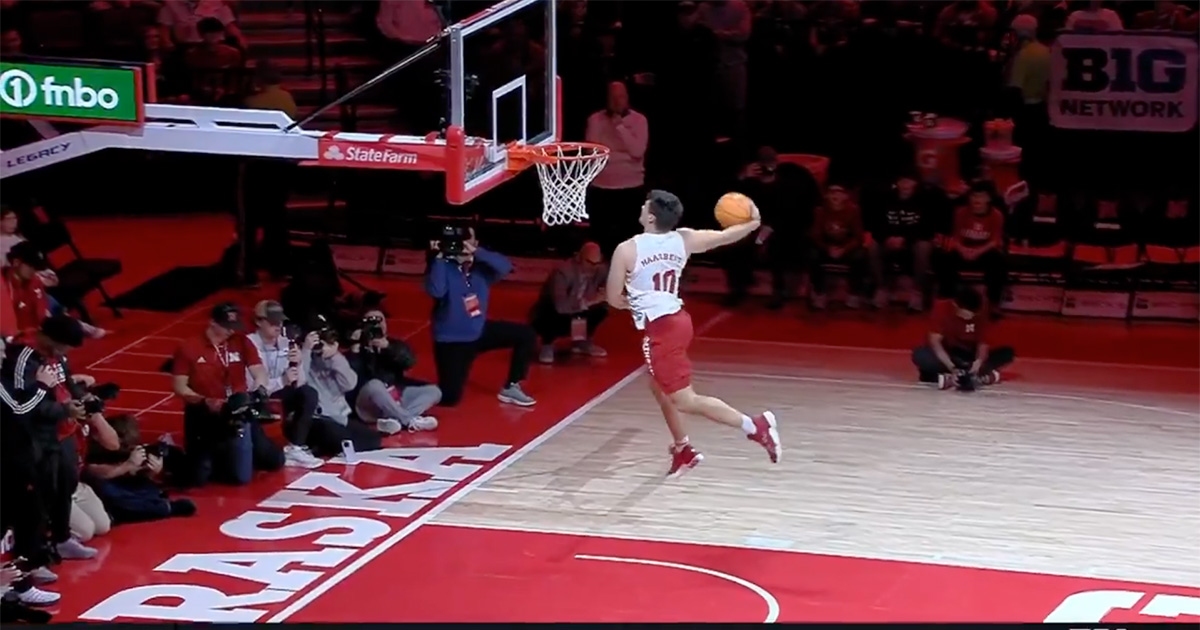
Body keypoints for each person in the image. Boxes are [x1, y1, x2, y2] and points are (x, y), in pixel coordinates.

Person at [606, 190, 781, 478]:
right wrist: (752, 223)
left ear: (650, 217)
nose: (640, 207)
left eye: (644, 205)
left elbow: (613, 298)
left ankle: (755, 426)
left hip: (660, 328)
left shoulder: (626, 250)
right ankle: (682, 448)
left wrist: (631, 300)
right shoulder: (684, 239)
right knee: (658, 386)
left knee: (685, 400)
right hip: (680, 321)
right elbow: (725, 237)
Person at [171, 303, 285, 486]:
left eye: (233, 327)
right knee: (198, 477)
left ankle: (240, 448)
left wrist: (260, 388)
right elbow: (179, 386)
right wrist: (205, 401)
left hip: (238, 409)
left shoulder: (241, 342)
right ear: (212, 323)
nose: (230, 332)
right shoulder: (189, 347)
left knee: (271, 462)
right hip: (205, 414)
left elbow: (258, 370)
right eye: (226, 327)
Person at [426, 228, 538, 408]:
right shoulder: (442, 267)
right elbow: (436, 291)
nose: (461, 244)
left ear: (475, 242)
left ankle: (512, 386)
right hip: (452, 341)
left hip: (479, 331)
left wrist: (476, 252)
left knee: (526, 334)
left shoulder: (481, 269)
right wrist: (439, 257)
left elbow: (506, 266)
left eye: (466, 239)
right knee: (450, 398)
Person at [245, 300, 325, 468]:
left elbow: (300, 383)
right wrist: (281, 381)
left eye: (280, 322)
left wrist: (298, 362)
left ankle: (296, 447)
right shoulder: (248, 344)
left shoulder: (286, 342)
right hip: (257, 396)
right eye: (272, 322)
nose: (277, 326)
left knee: (309, 393)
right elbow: (251, 385)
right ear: (259, 321)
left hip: (281, 391)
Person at [83, 414, 196, 524]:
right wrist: (128, 465)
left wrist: (153, 470)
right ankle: (162, 508)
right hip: (107, 491)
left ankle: (147, 507)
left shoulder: (127, 451)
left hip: (127, 488)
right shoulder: (92, 450)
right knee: (108, 492)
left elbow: (141, 477)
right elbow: (96, 473)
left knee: (148, 489)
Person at [347, 309, 440, 433]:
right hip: (368, 401)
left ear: (385, 324)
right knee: (375, 384)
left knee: (434, 391)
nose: (375, 325)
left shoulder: (394, 344)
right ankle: (409, 421)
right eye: (370, 321)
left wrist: (387, 347)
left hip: (395, 396)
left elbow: (409, 362)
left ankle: (395, 420)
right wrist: (355, 349)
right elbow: (349, 378)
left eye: (379, 320)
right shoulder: (357, 349)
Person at [911, 287, 1015, 389]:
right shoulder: (941, 307)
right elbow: (935, 343)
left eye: (973, 315)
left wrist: (978, 361)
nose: (970, 318)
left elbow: (983, 342)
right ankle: (973, 376)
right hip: (949, 353)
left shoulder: (983, 306)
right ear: (955, 306)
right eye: (966, 315)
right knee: (920, 355)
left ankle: (963, 375)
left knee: (1006, 353)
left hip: (969, 354)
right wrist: (951, 367)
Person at [304, 330, 383, 455]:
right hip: (317, 419)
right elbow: (301, 380)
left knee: (374, 439)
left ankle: (328, 447)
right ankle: (322, 447)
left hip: (339, 417)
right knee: (342, 439)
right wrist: (307, 350)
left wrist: (334, 356)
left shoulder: (333, 360)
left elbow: (349, 384)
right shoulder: (303, 359)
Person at [530, 242, 609, 364]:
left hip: (578, 309)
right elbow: (560, 305)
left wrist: (607, 293)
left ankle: (581, 341)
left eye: (596, 263)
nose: (593, 268)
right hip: (553, 312)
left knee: (602, 308)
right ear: (579, 258)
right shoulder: (563, 272)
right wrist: (589, 301)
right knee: (551, 310)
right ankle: (547, 344)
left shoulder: (601, 270)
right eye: (589, 262)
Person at [938, 180, 1007, 317]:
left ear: (988, 198)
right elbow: (956, 237)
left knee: (998, 261)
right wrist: (963, 249)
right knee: (944, 258)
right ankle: (949, 298)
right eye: (974, 196)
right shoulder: (960, 212)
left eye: (981, 196)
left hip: (984, 252)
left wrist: (978, 251)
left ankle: (993, 302)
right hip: (964, 249)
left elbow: (995, 240)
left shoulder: (997, 215)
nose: (976, 200)